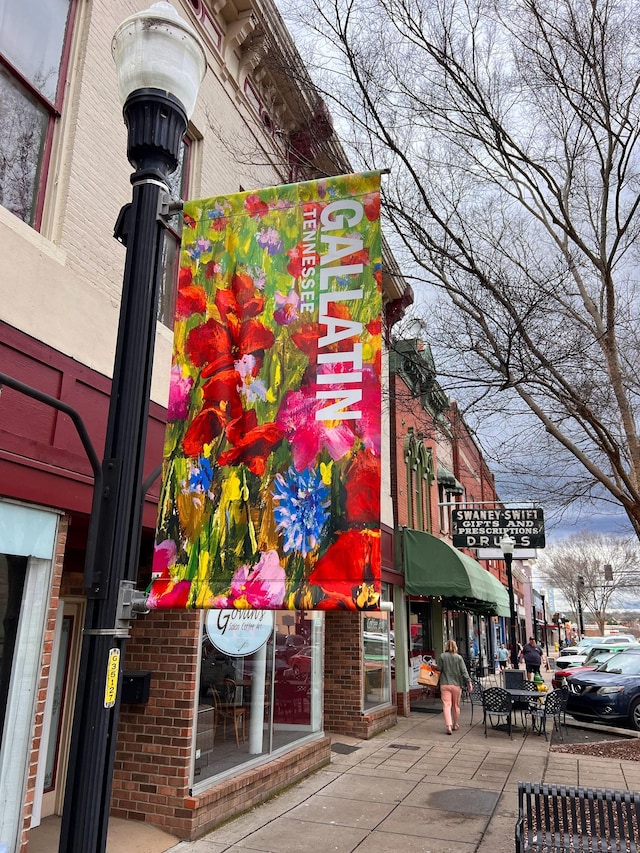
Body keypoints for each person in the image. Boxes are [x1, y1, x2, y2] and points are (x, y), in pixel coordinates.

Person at [436, 639, 472, 735]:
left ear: (446, 646)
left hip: (444, 684)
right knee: (456, 706)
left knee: (446, 705)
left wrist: (433, 666)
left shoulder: (442, 656)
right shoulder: (459, 658)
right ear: (456, 647)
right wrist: (469, 682)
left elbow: (439, 668)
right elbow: (464, 671)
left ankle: (448, 725)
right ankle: (455, 724)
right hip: (456, 685)